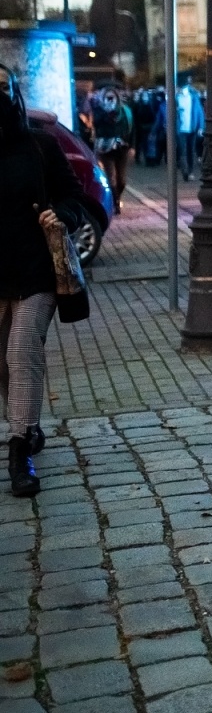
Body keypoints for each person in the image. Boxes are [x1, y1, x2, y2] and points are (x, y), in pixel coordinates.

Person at [0, 63, 92, 496]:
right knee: (3, 362)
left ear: (16, 93)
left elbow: (75, 195)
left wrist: (65, 215)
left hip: (37, 270)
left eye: (3, 87)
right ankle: (28, 425)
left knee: (22, 351)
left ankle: (19, 450)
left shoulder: (39, 145)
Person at [91, 87, 134, 214]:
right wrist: (106, 113)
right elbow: (97, 126)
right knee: (111, 178)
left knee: (122, 181)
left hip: (122, 149)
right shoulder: (99, 110)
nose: (110, 100)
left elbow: (132, 129)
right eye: (107, 97)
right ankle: (115, 203)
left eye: (112, 97)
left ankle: (117, 196)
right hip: (106, 149)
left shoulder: (124, 111)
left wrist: (132, 146)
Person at [174, 79, 201, 181]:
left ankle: (190, 171)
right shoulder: (176, 98)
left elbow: (199, 112)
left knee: (191, 151)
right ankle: (185, 172)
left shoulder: (193, 97)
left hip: (192, 128)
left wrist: (200, 126)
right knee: (183, 151)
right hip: (181, 129)